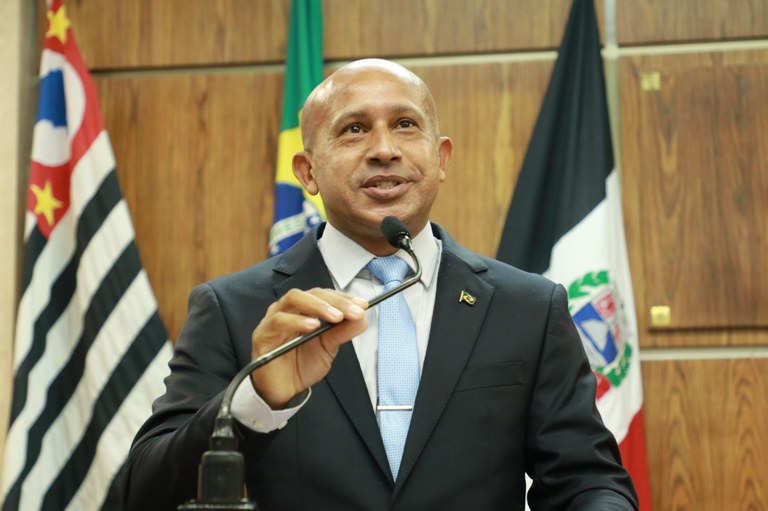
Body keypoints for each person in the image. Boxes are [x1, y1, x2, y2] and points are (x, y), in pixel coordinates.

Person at [121, 58, 638, 510]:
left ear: (442, 157)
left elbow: (587, 481)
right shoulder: (235, 309)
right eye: (354, 130)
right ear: (307, 172)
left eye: (405, 125)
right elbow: (144, 493)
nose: (384, 149)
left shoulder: (527, 307)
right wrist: (257, 399)